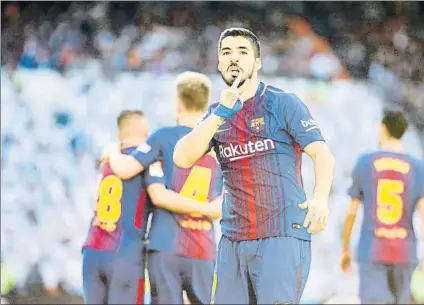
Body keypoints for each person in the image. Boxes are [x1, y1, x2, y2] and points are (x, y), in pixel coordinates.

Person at [173, 27, 335, 304]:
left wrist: (320, 199)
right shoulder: (215, 114)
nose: (233, 58)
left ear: (257, 62)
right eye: (226, 53)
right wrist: (222, 112)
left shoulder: (282, 102)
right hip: (233, 241)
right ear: (219, 62)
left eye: (242, 52)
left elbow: (322, 154)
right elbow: (182, 157)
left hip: (281, 236)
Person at [108, 72, 223, 304]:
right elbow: (222, 205)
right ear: (206, 104)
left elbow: (125, 170)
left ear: (178, 104)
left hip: (165, 244)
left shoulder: (162, 138)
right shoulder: (219, 146)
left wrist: (112, 148)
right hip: (203, 247)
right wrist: (206, 208)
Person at [82, 110, 219, 304]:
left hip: (93, 249)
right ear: (147, 134)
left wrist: (113, 148)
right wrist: (207, 208)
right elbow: (158, 195)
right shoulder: (147, 162)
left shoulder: (108, 161)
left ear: (119, 135)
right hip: (124, 254)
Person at [341, 110, 424, 304]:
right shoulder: (418, 167)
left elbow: (352, 211)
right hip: (405, 251)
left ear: (383, 128)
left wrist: (345, 248)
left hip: (373, 249)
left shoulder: (365, 162)